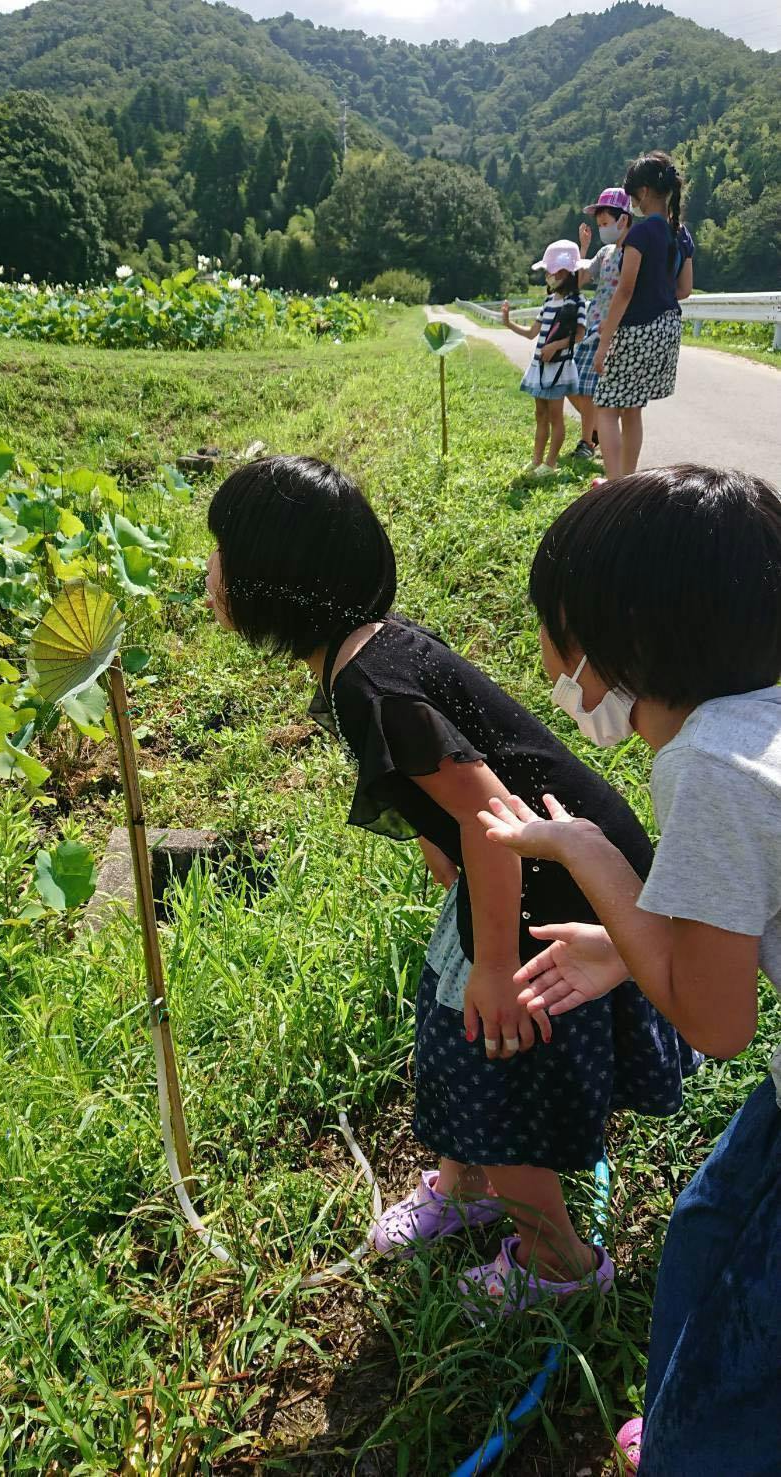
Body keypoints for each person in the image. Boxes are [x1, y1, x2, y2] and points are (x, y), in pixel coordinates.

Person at [204, 454, 695, 1316]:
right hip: (528, 867)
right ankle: (465, 1186)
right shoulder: (368, 646)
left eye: (220, 556)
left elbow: (489, 816)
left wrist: (498, 966)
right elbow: (459, 789)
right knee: (451, 1023)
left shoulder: (369, 686)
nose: (209, 577)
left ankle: (559, 1263)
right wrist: (459, 871)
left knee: (493, 1059)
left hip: (551, 880)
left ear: (272, 575)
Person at [477, 465, 781, 1475]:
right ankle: (690, 1410)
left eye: (558, 634)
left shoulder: (708, 766)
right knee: (705, 1224)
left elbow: (713, 1022)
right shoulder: (758, 722)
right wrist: (626, 943)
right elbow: (734, 922)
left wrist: (589, 858)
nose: (553, 664)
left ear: (624, 642)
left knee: (751, 1349)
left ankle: (701, 1444)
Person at [592, 153, 694, 481]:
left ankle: (613, 487)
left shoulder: (639, 235)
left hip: (636, 328)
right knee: (633, 407)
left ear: (645, 192)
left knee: (606, 408)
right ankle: (627, 480)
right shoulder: (680, 233)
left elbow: (625, 291)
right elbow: (684, 290)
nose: (632, 202)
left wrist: (603, 342)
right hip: (667, 328)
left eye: (633, 195)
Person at [501, 239, 586, 475]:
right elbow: (531, 333)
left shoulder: (578, 301)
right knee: (540, 414)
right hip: (540, 366)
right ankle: (536, 460)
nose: (548, 275)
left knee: (556, 416)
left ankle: (551, 463)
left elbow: (580, 334)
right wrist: (508, 322)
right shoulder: (548, 301)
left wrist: (555, 346)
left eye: (551, 271)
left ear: (565, 273)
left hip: (558, 367)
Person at [569, 187, 632, 461]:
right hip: (591, 326)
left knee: (598, 391)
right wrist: (583, 248)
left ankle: (589, 442)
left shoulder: (634, 252)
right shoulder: (605, 251)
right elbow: (579, 281)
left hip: (614, 329)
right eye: (600, 225)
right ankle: (595, 434)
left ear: (623, 219)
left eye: (605, 223)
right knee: (575, 384)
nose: (602, 228)